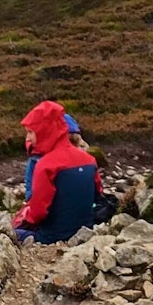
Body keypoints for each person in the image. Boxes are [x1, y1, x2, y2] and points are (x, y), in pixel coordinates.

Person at [14, 100, 100, 244]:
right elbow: (97, 196)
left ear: (44, 131)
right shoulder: (90, 160)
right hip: (85, 232)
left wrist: (24, 216)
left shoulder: (46, 165)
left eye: (30, 132)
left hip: (52, 237)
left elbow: (38, 214)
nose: (28, 138)